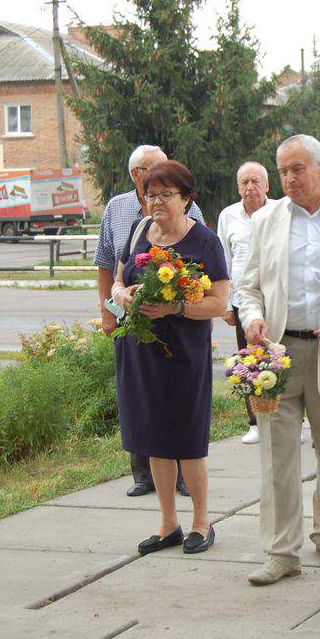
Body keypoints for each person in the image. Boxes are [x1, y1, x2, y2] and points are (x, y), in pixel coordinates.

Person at [239, 134, 320, 586]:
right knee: (277, 455)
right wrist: (252, 318)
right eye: (283, 171)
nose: (289, 178)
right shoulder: (266, 219)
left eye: (297, 169)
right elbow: (248, 287)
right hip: (277, 354)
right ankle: (281, 551)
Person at [110, 160, 229, 555]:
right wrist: (122, 294)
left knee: (186, 438)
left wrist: (175, 307)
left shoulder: (204, 241)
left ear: (186, 198)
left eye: (165, 194)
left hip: (184, 354)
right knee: (153, 436)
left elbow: (219, 302)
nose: (156, 201)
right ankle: (168, 523)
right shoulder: (139, 230)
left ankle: (201, 522)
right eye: (150, 194)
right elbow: (118, 278)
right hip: (140, 350)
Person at [94, 144, 204, 498]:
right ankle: (143, 474)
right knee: (138, 396)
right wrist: (108, 310)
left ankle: (182, 475)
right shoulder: (118, 209)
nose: (163, 175)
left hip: (178, 326)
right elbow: (106, 263)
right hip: (131, 320)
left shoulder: (189, 208)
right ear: (137, 176)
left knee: (176, 401)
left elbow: (202, 268)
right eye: (156, 171)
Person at [218, 161, 274, 445]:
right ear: (238, 187)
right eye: (244, 182)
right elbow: (223, 261)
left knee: (279, 356)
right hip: (243, 301)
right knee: (249, 359)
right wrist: (227, 304)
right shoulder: (228, 216)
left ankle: (285, 418)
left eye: (255, 181)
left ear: (267, 185)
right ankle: (255, 421)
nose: (250, 187)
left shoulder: (280, 211)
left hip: (274, 298)